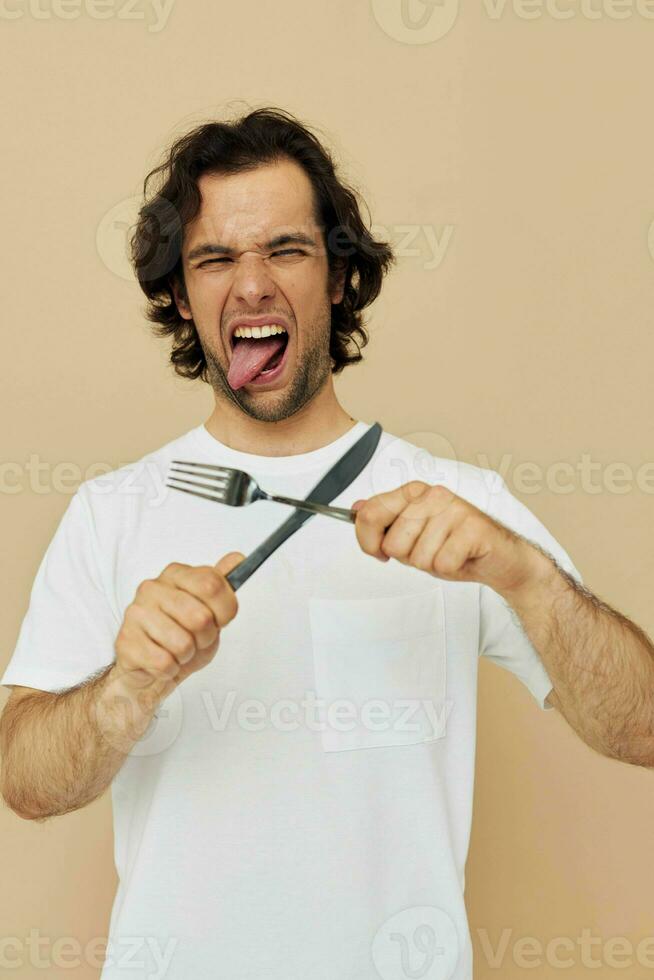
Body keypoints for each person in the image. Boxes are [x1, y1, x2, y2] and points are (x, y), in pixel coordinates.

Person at [2, 107, 653, 980]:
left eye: (287, 249)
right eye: (216, 259)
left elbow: (642, 726)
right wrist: (128, 687)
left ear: (340, 277)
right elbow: (25, 783)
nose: (253, 284)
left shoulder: (465, 508)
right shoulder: (110, 512)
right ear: (181, 295)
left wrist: (529, 579)